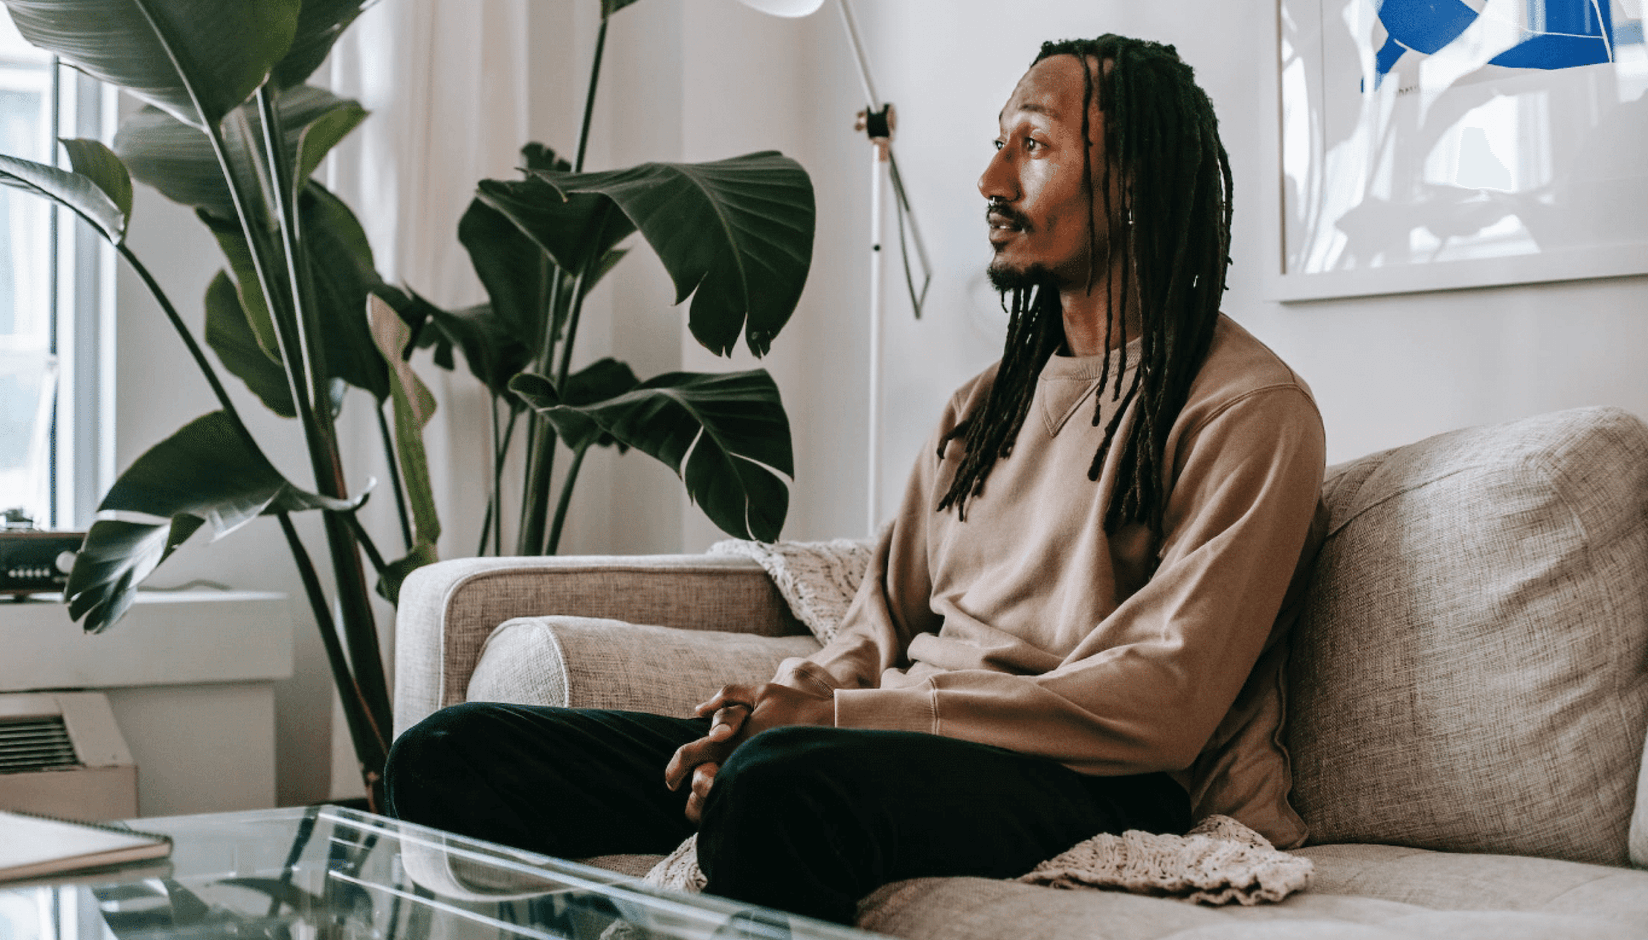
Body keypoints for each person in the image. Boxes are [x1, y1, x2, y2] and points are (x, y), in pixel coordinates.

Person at [385, 34, 1327, 928]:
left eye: (1031, 146)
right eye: (996, 145)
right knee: (451, 754)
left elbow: (1159, 702)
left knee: (781, 788)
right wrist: (775, 709)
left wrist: (840, 719)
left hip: (1090, 775)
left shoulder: (1248, 410)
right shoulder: (984, 405)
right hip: (884, 745)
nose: (990, 182)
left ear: (1133, 183)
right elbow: (879, 626)